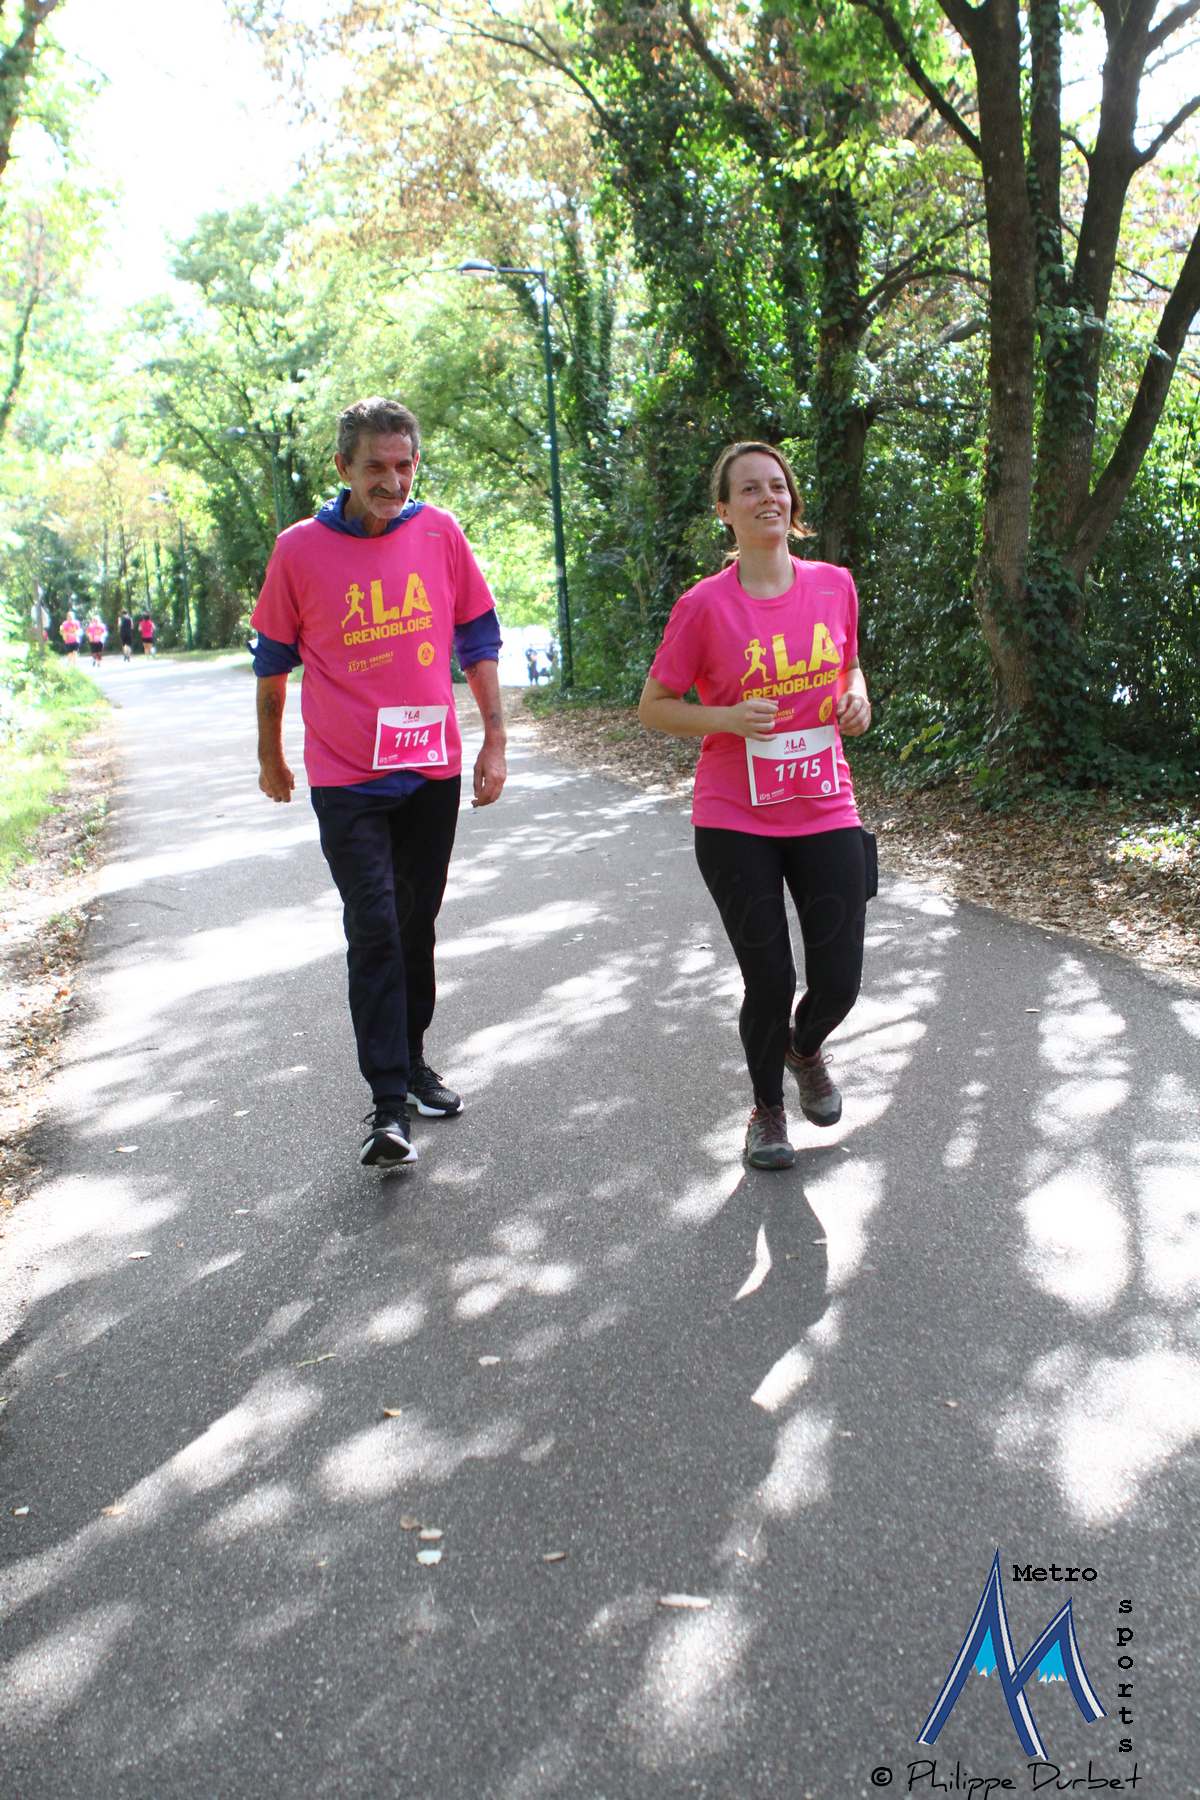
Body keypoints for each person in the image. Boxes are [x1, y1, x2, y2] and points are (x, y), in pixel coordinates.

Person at [251, 396, 507, 1170]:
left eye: (404, 466)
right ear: (343, 468)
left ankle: (414, 1061)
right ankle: (387, 1103)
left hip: (430, 770)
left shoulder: (440, 533)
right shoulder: (299, 550)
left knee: (415, 924)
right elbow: (273, 662)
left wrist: (495, 738)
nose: (392, 482)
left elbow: (478, 637)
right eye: (375, 468)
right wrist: (270, 754)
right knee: (374, 924)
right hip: (348, 777)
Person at [638, 440, 873, 1171]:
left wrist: (857, 697)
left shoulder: (834, 585)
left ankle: (805, 1049)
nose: (768, 497)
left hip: (825, 804)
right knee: (770, 979)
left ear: (791, 501)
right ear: (725, 511)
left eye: (777, 486)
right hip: (734, 818)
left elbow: (849, 664)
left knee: (838, 982)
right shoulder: (704, 606)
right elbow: (654, 706)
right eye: (749, 489)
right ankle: (767, 1110)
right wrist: (728, 719)